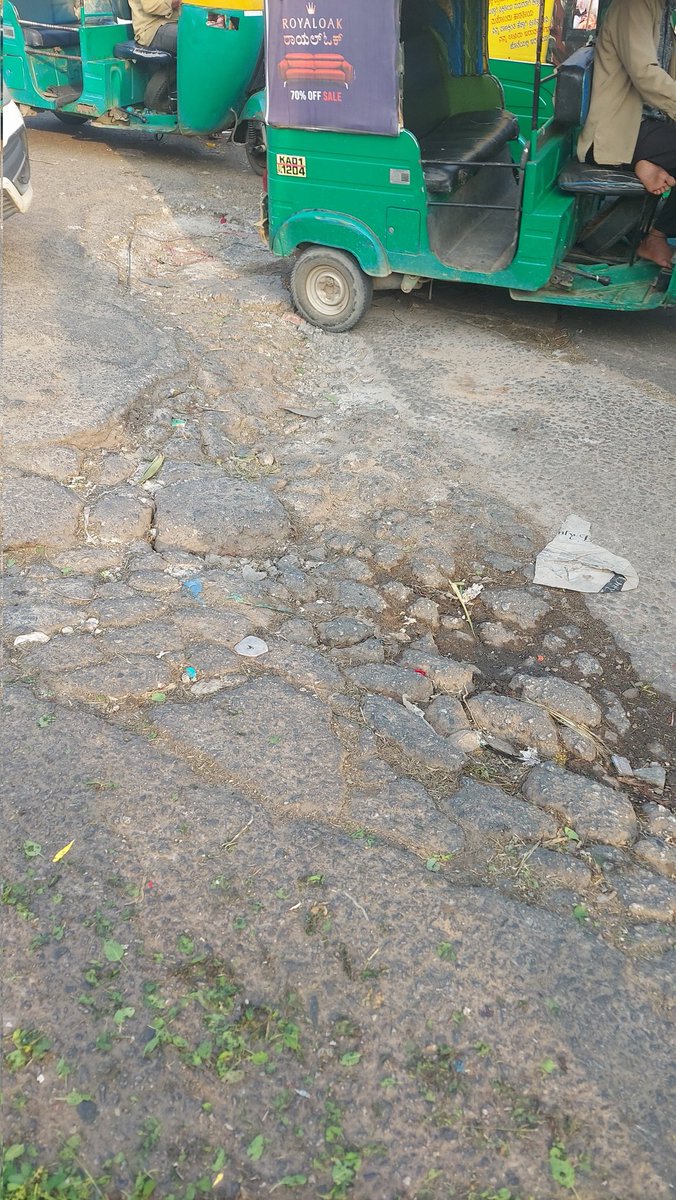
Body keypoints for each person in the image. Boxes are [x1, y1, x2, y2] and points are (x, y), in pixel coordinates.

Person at [578, 0, 676, 268]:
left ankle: (645, 162)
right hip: (617, 132)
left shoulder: (662, 10)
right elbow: (645, 74)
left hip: (645, 127)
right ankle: (655, 237)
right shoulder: (635, 6)